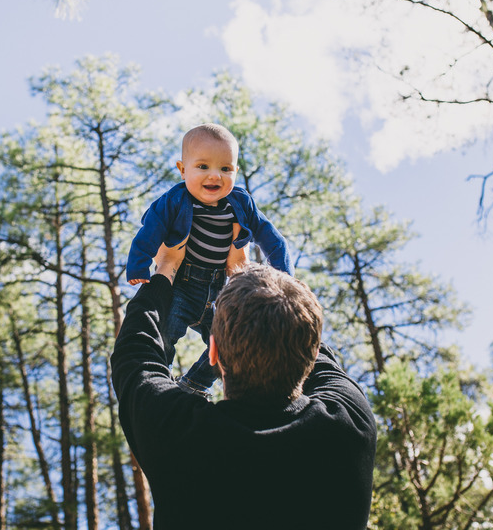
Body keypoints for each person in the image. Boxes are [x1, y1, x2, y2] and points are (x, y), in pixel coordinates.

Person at [111, 250, 377, 530]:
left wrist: (166, 268)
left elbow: (135, 354)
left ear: (213, 352)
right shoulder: (350, 426)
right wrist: (252, 275)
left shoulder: (181, 437)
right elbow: (309, 345)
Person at [126, 123, 293, 396]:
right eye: (203, 166)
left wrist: (284, 278)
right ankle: (161, 385)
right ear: (183, 170)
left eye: (225, 168)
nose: (215, 175)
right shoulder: (174, 200)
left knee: (232, 341)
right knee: (164, 335)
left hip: (219, 290)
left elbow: (273, 239)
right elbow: (150, 230)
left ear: (235, 171)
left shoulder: (241, 203)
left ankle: (193, 385)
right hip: (182, 285)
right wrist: (138, 263)